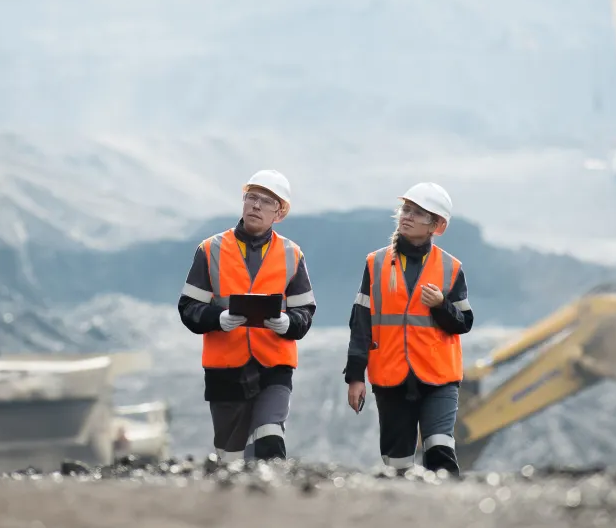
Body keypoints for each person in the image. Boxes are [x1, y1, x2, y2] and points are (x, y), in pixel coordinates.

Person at [178, 169, 317, 462]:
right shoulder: (210, 250)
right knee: (230, 459)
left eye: (266, 201)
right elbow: (188, 308)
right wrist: (217, 318)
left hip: (273, 367)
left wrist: (288, 323)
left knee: (269, 439)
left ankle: (275, 504)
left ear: (279, 213)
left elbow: (305, 311)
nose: (256, 205)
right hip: (225, 369)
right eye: (251, 197)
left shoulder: (293, 255)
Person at [343, 182, 473, 476]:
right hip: (391, 378)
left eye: (418, 213)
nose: (407, 216)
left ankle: (446, 515)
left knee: (440, 450)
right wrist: (355, 377)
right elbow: (361, 323)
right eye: (406, 209)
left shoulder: (451, 268)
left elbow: (464, 322)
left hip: (439, 377)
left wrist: (441, 305)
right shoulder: (375, 263)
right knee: (397, 464)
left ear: (436, 226)